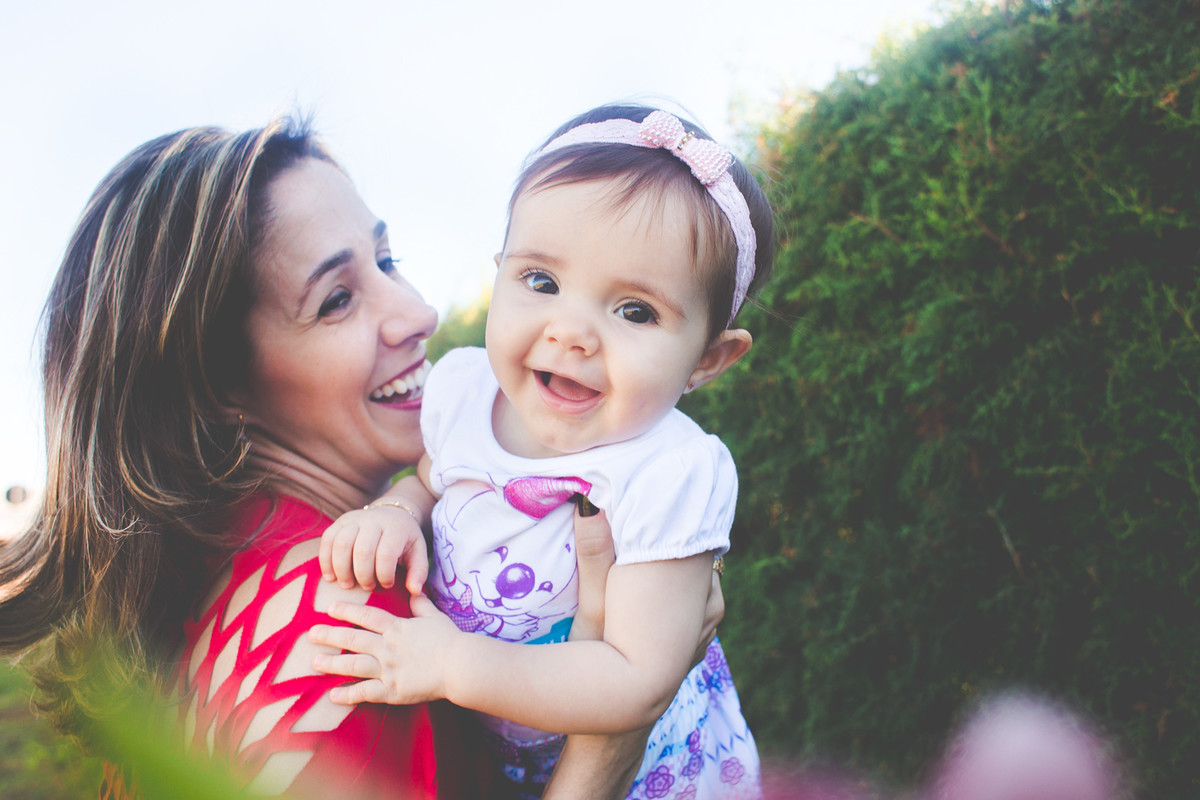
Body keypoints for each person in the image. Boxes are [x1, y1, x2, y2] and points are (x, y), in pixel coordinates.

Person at [0, 115, 719, 799]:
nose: (419, 313)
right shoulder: (352, 634)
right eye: (337, 299)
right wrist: (612, 738)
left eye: (388, 260)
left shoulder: (192, 612)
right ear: (219, 387)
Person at [310, 104, 773, 800]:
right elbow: (435, 478)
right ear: (500, 274)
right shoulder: (468, 392)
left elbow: (636, 680)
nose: (573, 332)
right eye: (542, 282)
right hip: (510, 768)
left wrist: (456, 664)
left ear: (709, 358)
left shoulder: (666, 472)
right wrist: (398, 508)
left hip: (658, 781)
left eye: (635, 310)